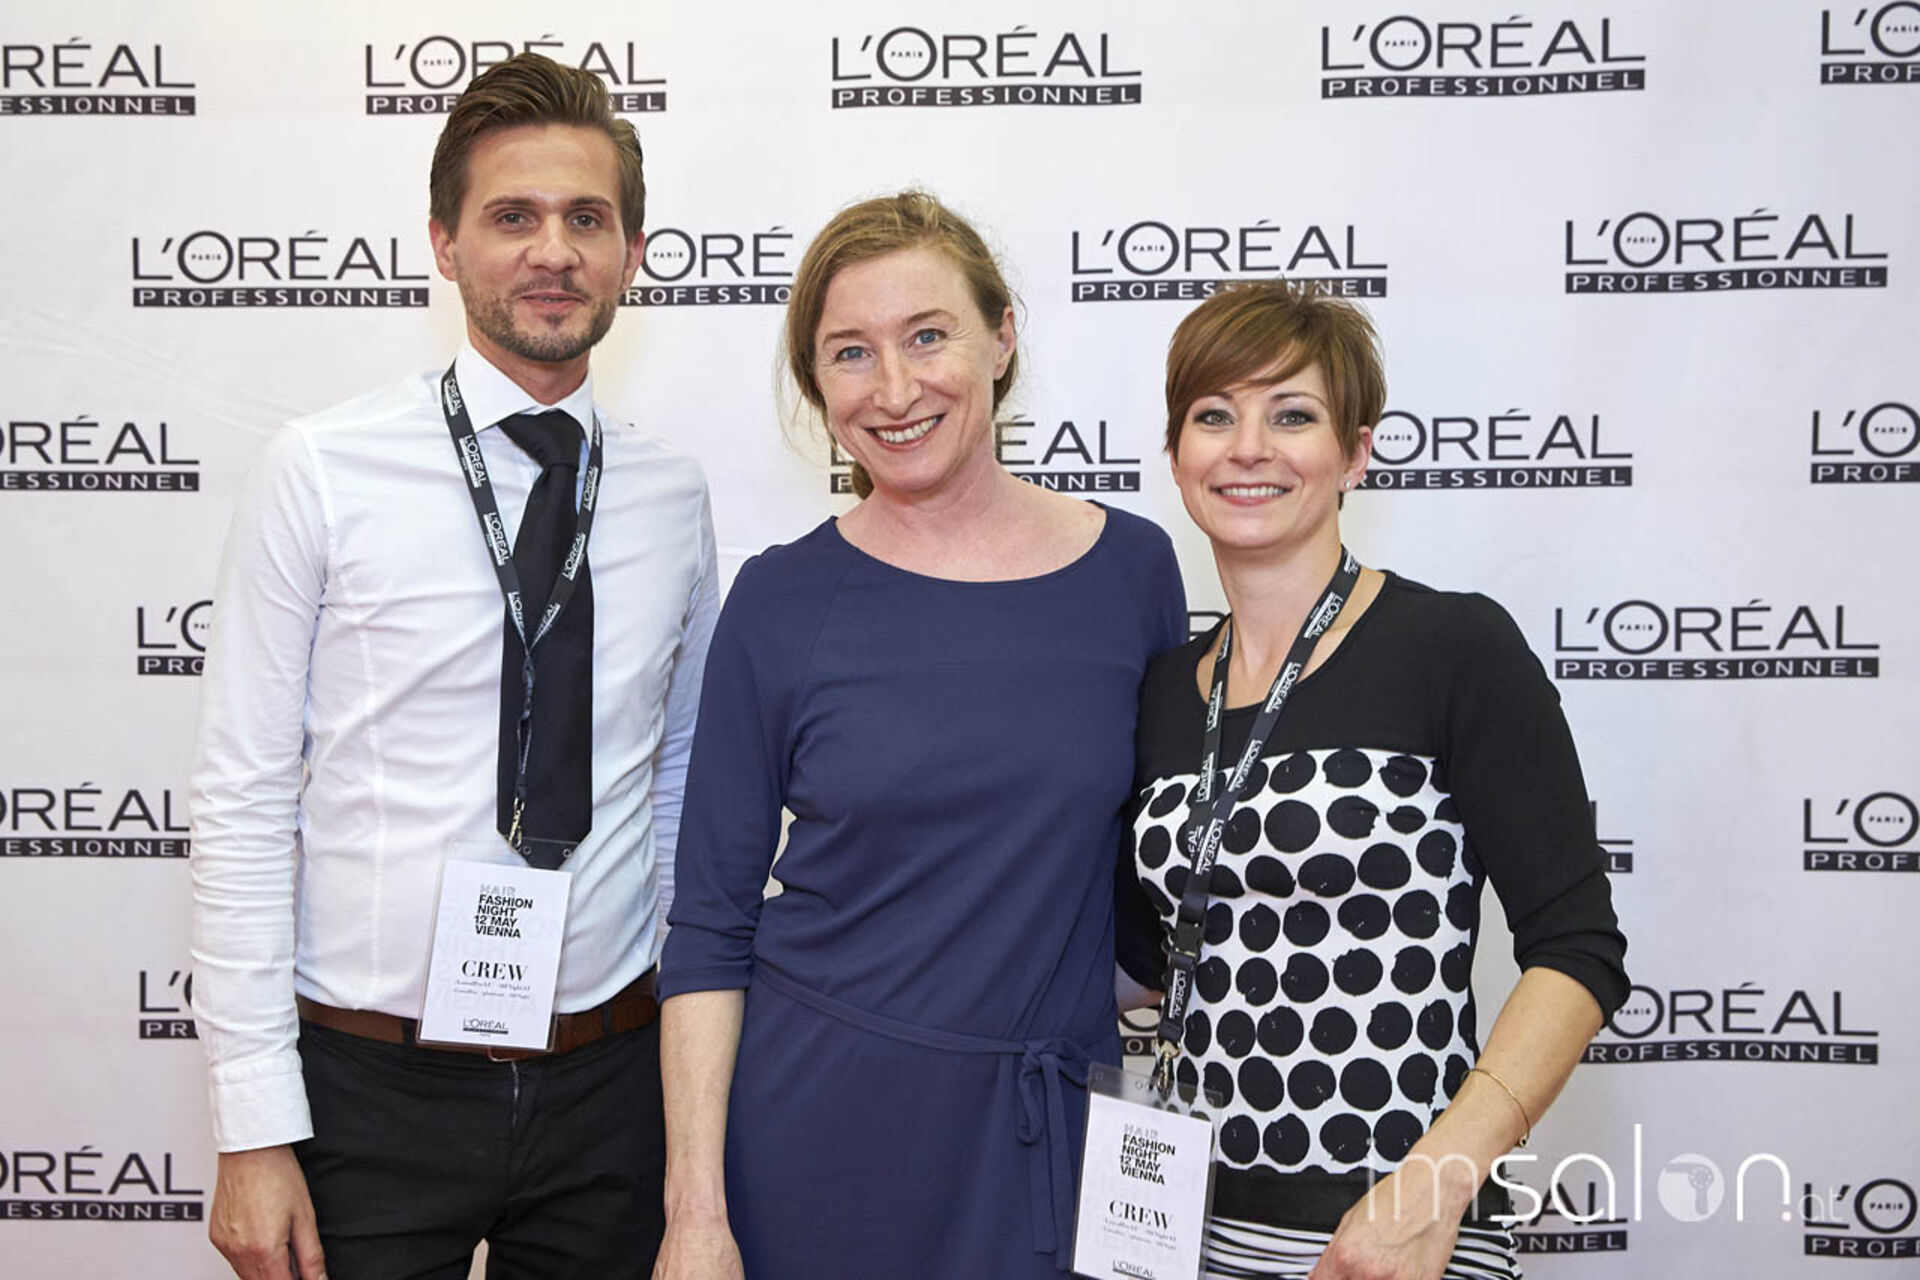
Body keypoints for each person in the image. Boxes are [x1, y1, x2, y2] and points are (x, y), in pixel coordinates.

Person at [189, 53, 716, 1280]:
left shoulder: (672, 498)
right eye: (513, 216)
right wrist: (252, 1122)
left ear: (633, 252)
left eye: (587, 219)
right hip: (369, 1090)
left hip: (609, 1086)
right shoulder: (321, 468)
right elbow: (244, 795)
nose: (554, 252)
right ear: (444, 242)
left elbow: (676, 782)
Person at [650, 191, 1187, 1279]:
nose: (894, 389)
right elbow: (708, 925)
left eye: (928, 335)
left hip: (1047, 1128)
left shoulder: (1132, 571)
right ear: (817, 383)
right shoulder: (782, 600)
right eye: (851, 352)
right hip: (816, 1131)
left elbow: (1157, 866)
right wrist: (695, 1214)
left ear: (1002, 336)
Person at [1116, 283, 1628, 1280]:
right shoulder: (1160, 694)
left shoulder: (1450, 646)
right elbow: (1139, 959)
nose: (1248, 448)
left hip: (1395, 1236)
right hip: (1186, 1235)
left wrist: (1433, 1186)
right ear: (1176, 455)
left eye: (1291, 415)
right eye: (1213, 415)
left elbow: (1579, 951)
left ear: (1354, 453)